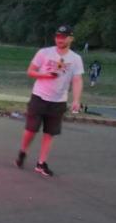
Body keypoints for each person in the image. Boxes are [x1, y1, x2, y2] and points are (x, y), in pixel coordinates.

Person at [15, 25, 83, 177]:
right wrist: (45, 75)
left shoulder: (76, 59)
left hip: (58, 101)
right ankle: (23, 151)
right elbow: (30, 71)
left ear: (71, 39)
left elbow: (77, 80)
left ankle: (41, 163)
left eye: (63, 37)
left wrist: (76, 100)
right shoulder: (44, 53)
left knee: (49, 133)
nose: (60, 39)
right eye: (58, 36)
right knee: (31, 130)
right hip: (39, 96)